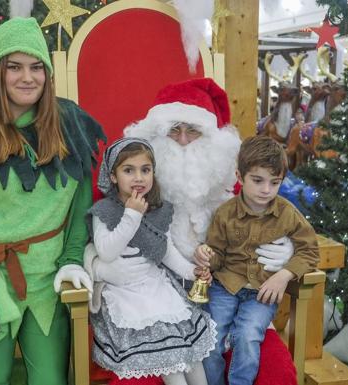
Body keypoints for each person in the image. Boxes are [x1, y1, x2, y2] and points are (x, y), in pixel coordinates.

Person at [86, 78, 298, 385]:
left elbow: (281, 221)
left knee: (275, 374)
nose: (183, 140)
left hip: (231, 303)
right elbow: (94, 234)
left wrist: (286, 253)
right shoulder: (132, 188)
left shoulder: (235, 186)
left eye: (193, 130)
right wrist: (97, 264)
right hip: (152, 307)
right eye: (174, 130)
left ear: (213, 138)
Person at [0, 17, 104, 385]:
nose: (27, 77)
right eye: (15, 67)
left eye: (36, 67)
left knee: (50, 380)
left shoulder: (70, 121)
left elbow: (81, 202)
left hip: (48, 278)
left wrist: (72, 259)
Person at [89, 137, 216, 385]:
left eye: (145, 170)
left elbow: (165, 251)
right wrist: (131, 215)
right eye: (129, 170)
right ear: (113, 176)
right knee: (171, 364)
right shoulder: (104, 210)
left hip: (157, 289)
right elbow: (106, 251)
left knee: (193, 361)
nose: (138, 177)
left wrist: (193, 272)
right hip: (127, 296)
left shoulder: (158, 209)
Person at [195, 135, 320, 385]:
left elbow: (310, 251)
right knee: (212, 335)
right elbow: (217, 257)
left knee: (248, 334)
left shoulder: (287, 214)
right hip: (225, 287)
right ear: (240, 177)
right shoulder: (225, 214)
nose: (266, 190)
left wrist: (284, 276)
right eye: (258, 180)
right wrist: (207, 256)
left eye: (275, 182)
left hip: (262, 293)